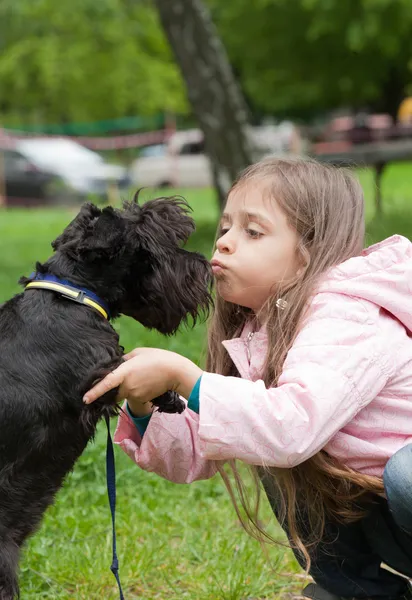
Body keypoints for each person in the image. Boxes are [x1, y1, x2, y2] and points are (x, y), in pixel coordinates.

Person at [84, 157, 412, 600]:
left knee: (403, 472)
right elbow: (197, 452)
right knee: (254, 429)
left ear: (308, 253)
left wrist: (186, 377)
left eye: (252, 232)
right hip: (388, 514)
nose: (224, 244)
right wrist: (145, 405)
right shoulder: (256, 331)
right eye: (225, 228)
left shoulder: (350, 315)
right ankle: (353, 591)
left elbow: (292, 425)